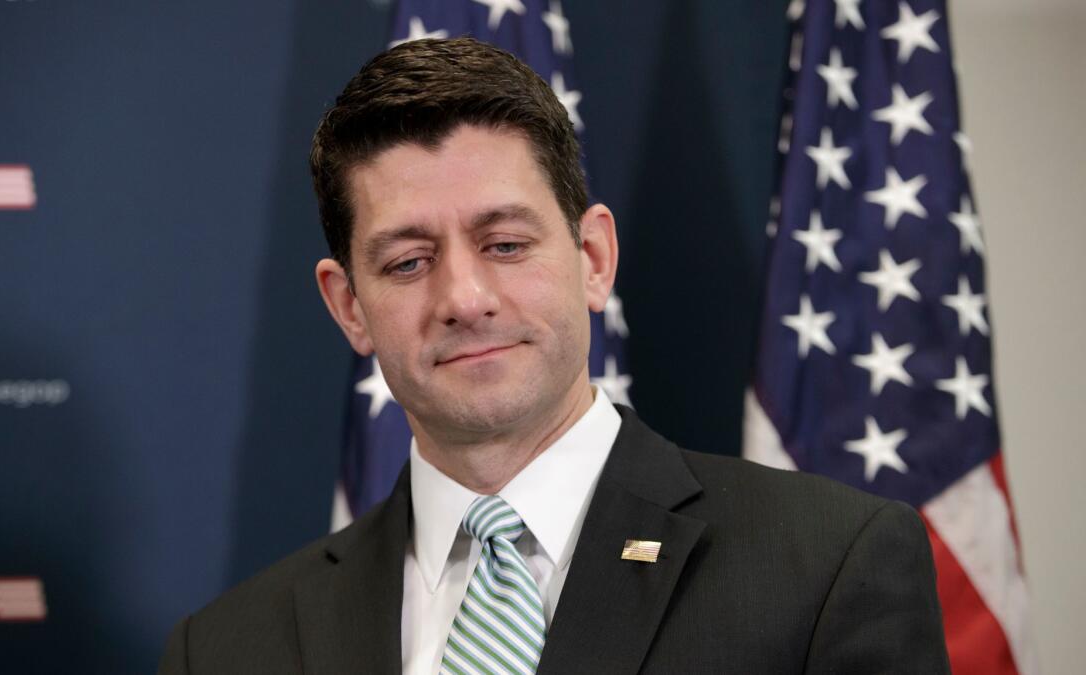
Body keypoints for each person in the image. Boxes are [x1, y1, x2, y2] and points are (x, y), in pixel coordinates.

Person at [158, 37, 950, 674]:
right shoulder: (227, 650)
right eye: (407, 261)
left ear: (594, 257)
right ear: (348, 306)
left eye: (505, 243)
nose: (465, 298)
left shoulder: (828, 567)